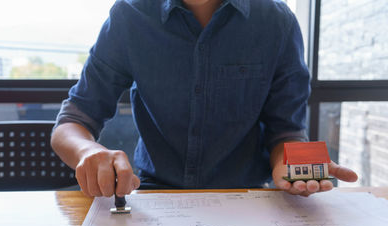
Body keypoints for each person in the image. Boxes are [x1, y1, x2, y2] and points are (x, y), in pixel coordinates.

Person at [51, 0, 358, 198]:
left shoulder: (277, 22)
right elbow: (73, 121)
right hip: (155, 195)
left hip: (247, 198)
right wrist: (88, 151)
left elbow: (286, 131)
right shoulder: (130, 16)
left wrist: (292, 164)